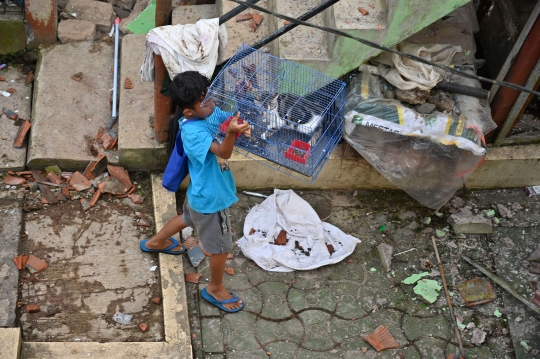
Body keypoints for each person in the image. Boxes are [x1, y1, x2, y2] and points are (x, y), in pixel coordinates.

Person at [140, 71, 250, 313]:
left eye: (210, 97)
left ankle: (156, 241)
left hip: (198, 194)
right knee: (219, 247)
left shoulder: (206, 112)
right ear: (188, 112)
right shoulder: (193, 132)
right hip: (212, 200)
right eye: (205, 101)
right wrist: (232, 132)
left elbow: (224, 118)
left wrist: (239, 126)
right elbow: (223, 152)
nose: (211, 103)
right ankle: (215, 288)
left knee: (187, 218)